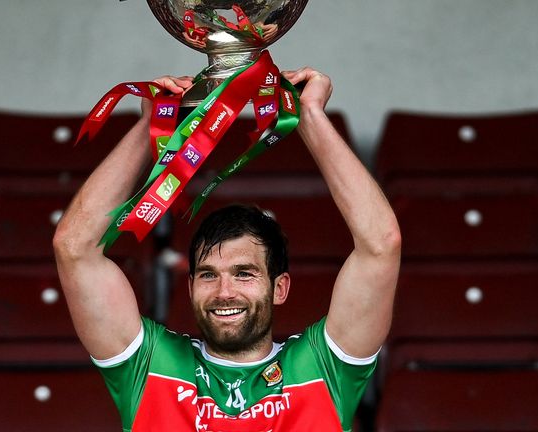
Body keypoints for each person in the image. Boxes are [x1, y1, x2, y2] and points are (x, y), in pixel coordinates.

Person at [53, 68, 401, 431]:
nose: (224, 292)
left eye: (244, 273)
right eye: (207, 275)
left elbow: (381, 245)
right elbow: (74, 247)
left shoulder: (323, 367)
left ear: (279, 287)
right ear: (189, 288)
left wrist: (309, 114)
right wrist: (151, 127)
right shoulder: (150, 365)